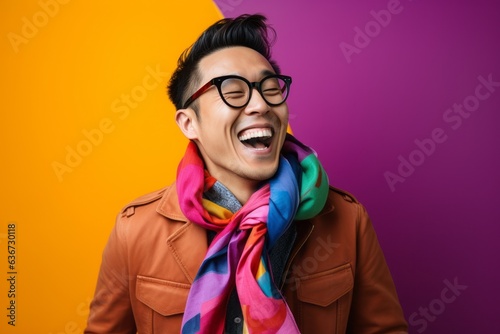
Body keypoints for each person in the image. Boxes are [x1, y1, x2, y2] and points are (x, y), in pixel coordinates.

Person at [85, 14, 408, 334]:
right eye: (234, 92)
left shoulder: (347, 220)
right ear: (189, 123)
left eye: (270, 89)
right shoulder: (136, 230)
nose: (260, 104)